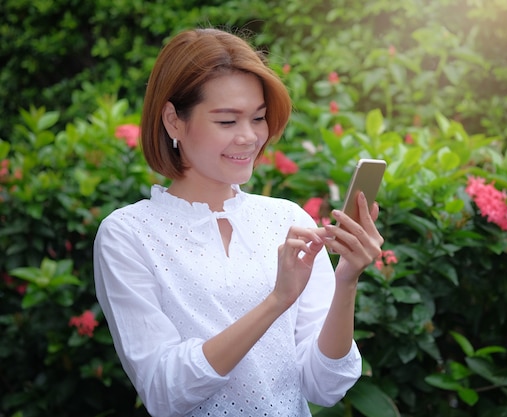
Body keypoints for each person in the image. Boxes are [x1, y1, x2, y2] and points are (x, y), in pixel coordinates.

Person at [93, 28, 383, 417]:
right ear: (173, 121)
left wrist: (347, 279)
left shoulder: (287, 218)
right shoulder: (128, 234)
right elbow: (164, 390)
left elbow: (325, 385)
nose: (250, 137)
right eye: (227, 121)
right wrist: (276, 301)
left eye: (259, 118)